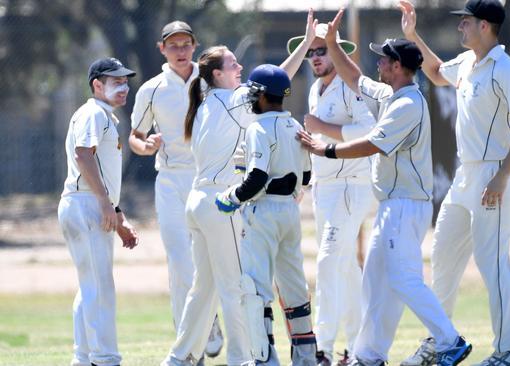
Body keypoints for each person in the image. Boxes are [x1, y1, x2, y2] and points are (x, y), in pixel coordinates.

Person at [297, 10, 472, 366]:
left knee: (403, 278)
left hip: (406, 205)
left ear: (397, 66)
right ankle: (368, 355)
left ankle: (449, 340)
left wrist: (325, 148)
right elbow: (354, 77)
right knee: (376, 281)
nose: (378, 62)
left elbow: (371, 143)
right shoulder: (391, 93)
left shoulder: (407, 104)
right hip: (392, 204)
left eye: (384, 58)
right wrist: (331, 43)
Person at [161, 11, 318, 366]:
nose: (239, 68)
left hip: (197, 203)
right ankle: (242, 358)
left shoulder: (205, 103)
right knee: (237, 285)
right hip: (220, 205)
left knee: (204, 289)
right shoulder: (232, 102)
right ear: (217, 74)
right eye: (233, 64)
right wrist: (306, 43)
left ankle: (179, 357)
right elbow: (277, 81)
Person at [398, 1, 510, 365]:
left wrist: (501, 176)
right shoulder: (466, 63)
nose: (460, 27)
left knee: (492, 263)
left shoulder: (505, 68)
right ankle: (440, 341)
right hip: (466, 175)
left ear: (486, 26)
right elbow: (435, 70)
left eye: (466, 22)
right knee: (443, 254)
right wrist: (412, 36)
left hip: (495, 173)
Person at [129, 20, 223, 361]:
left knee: (212, 260)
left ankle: (209, 321)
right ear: (162, 49)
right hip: (170, 181)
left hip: (209, 179)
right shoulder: (151, 89)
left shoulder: (211, 80)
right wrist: (146, 145)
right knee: (180, 263)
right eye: (173, 45)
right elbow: (135, 136)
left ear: (194, 46)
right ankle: (190, 344)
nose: (180, 51)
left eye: (186, 44)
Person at [286, 22, 376, 366]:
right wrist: (304, 182)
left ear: (340, 52)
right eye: (311, 52)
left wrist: (321, 128)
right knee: (345, 269)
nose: (315, 57)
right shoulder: (316, 88)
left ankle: (320, 349)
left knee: (327, 261)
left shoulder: (350, 88)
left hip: (352, 187)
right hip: (325, 189)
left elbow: (370, 131)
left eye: (322, 50)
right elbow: (316, 145)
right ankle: (355, 350)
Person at [216, 64, 316, 366]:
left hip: (263, 212)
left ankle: (264, 358)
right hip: (290, 212)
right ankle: (306, 359)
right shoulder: (296, 126)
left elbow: (257, 179)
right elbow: (307, 176)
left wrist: (231, 196)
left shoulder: (258, 128)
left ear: (259, 95)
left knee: (254, 287)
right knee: (294, 286)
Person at [58, 57, 139, 366]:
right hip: (85, 202)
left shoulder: (102, 115)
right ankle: (104, 360)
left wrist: (116, 216)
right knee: (100, 287)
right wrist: (104, 202)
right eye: (116, 81)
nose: (124, 86)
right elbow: (83, 155)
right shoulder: (94, 113)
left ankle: (84, 357)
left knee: (90, 284)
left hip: (86, 203)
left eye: (125, 81)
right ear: (97, 85)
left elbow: (98, 167)